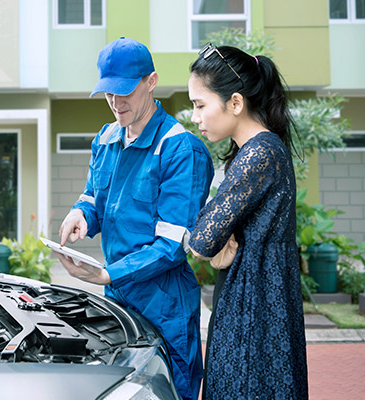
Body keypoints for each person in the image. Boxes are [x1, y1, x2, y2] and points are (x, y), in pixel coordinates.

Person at [55, 37, 213, 400]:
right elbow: (94, 198)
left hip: (165, 306)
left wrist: (108, 274)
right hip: (117, 301)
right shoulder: (106, 138)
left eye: (125, 91)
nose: (116, 102)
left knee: (172, 392)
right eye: (109, 93)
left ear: (151, 81)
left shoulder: (179, 148)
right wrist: (80, 214)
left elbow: (172, 245)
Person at [184, 43, 308, 399]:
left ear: (235, 103)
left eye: (200, 105)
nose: (196, 117)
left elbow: (205, 239)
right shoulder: (256, 151)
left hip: (254, 307)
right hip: (257, 296)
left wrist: (202, 238)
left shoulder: (259, 153)